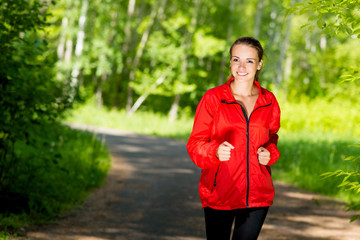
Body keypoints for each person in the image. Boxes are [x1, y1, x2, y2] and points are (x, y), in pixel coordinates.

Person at [186, 36, 281, 240]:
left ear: (259, 65)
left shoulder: (269, 101)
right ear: (230, 62)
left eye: (249, 61)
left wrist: (270, 153)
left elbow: (272, 137)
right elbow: (194, 145)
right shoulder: (214, 99)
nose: (241, 66)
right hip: (220, 194)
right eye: (236, 59)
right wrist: (215, 151)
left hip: (257, 195)